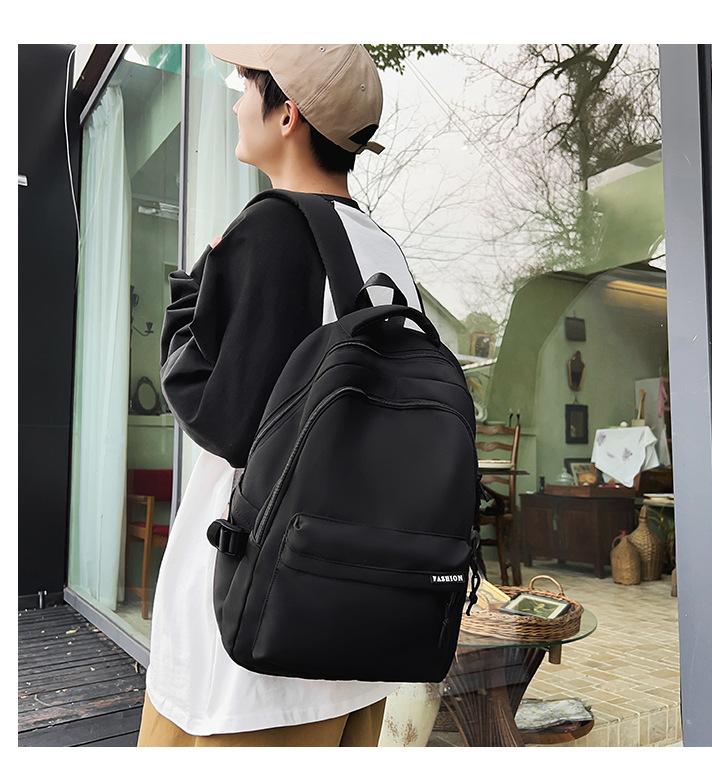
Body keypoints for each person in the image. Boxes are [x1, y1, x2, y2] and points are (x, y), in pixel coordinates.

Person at [137, 44, 425, 747]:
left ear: (288, 114)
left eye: (247, 87)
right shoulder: (384, 250)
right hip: (358, 619)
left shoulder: (273, 226)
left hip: (253, 624)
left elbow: (227, 420)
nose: (237, 104)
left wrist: (193, 293)